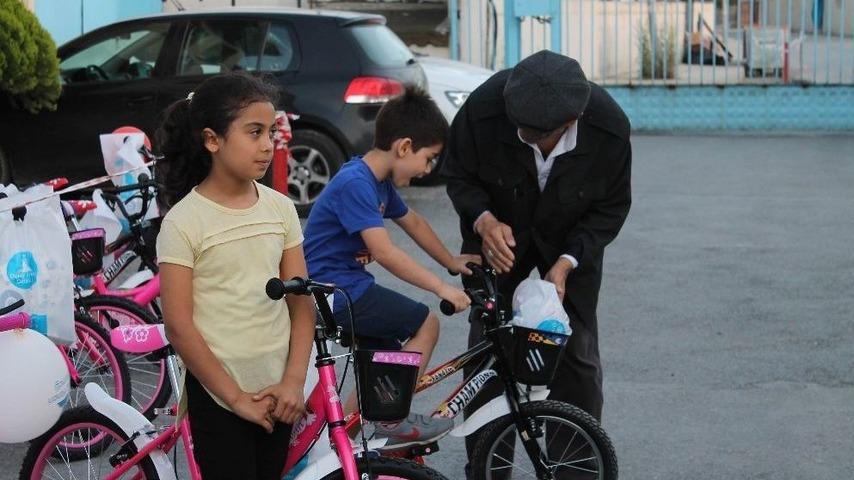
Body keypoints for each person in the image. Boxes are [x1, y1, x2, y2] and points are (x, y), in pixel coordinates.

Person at [441, 50, 632, 467]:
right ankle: (489, 467)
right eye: (520, 130)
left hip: (570, 245)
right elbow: (457, 173)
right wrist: (483, 220)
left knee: (573, 352)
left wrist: (566, 262)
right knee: (488, 348)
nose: (524, 137)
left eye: (534, 135)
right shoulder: (485, 108)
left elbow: (610, 209)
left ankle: (576, 468)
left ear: (571, 121)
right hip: (496, 237)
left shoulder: (609, 127)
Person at [155, 73, 315, 480]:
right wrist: (236, 398)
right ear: (212, 140)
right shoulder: (183, 222)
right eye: (255, 132)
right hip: (219, 397)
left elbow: (301, 301)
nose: (268, 145)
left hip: (280, 391)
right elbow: (179, 325)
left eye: (272, 132)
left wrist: (294, 381)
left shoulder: (280, 209)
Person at [303, 86, 479, 447]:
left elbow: (412, 222)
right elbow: (384, 252)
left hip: (342, 287)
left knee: (384, 363)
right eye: (428, 159)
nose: (427, 169)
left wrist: (452, 264)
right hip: (331, 292)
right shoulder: (356, 183)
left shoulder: (377, 182)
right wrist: (440, 288)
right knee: (425, 322)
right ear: (403, 147)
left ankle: (342, 446)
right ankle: (390, 421)